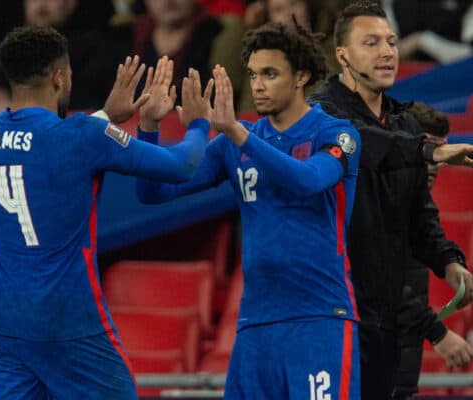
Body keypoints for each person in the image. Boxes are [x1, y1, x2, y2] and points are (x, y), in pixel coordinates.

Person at [0, 25, 213, 399]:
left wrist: (105, 116)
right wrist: (197, 123)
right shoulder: (82, 136)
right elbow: (182, 166)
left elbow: (41, 148)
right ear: (60, 77)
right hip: (65, 320)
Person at [137, 22, 362, 399]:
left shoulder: (337, 134)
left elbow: (307, 180)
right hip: (256, 324)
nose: (257, 84)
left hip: (320, 319)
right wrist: (149, 125)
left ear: (301, 76)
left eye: (270, 74)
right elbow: (153, 193)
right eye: (253, 74)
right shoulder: (233, 144)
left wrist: (238, 134)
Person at [308, 2, 473, 399]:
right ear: (343, 55)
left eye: (392, 42)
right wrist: (428, 151)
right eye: (371, 43)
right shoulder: (320, 112)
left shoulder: (406, 123)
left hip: (385, 324)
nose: (387, 52)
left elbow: (421, 216)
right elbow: (360, 142)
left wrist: (449, 262)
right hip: (333, 318)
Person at [394, 102, 473, 400]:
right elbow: (372, 279)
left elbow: (430, 236)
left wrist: (453, 265)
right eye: (428, 151)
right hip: (362, 353)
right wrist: (437, 332)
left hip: (399, 357)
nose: (436, 162)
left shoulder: (418, 204)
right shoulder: (368, 203)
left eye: (441, 152)